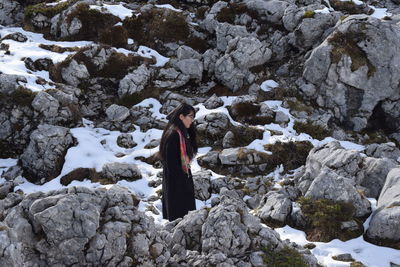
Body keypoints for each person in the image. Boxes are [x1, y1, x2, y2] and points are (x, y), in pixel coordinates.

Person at [159, 103, 198, 221]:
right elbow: (171, 163)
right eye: (190, 116)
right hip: (177, 183)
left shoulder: (179, 132)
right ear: (181, 116)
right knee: (180, 217)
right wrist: (183, 182)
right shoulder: (174, 135)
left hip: (179, 180)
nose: (192, 120)